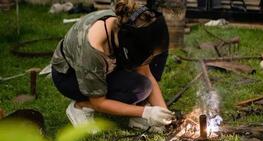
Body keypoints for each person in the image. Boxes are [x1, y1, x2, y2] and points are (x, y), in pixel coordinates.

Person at [50, 0, 174, 133]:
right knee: (131, 91)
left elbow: (145, 74)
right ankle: (80, 106)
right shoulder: (93, 49)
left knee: (143, 85)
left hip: (106, 66)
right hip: (69, 77)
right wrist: (146, 112)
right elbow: (100, 102)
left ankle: (135, 114)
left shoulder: (129, 27)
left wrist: (165, 115)